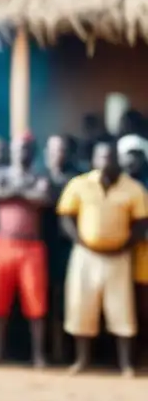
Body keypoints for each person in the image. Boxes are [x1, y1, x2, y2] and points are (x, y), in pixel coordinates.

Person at [58, 141, 147, 377]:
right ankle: (82, 360)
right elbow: (66, 217)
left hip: (119, 258)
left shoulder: (134, 189)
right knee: (81, 307)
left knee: (122, 311)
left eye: (110, 157)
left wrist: (123, 246)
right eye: (101, 157)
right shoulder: (79, 184)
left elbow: (140, 224)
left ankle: (126, 364)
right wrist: (81, 241)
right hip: (85, 256)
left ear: (118, 159)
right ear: (94, 160)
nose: (106, 161)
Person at [0, 133, 53, 368]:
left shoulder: (40, 176)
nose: (23, 153)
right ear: (12, 151)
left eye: (27, 149)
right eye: (19, 149)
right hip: (2, 245)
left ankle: (39, 355)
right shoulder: (0, 175)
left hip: (31, 247)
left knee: (36, 304)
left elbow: (44, 198)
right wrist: (22, 192)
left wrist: (13, 192)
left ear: (33, 152)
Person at [44, 134, 79, 363]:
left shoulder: (78, 178)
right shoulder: (39, 176)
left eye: (63, 149)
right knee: (48, 299)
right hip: (42, 245)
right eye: (54, 149)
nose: (59, 153)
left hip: (72, 247)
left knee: (71, 298)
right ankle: (52, 351)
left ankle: (71, 352)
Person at [118, 134, 148, 367]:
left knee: (143, 304)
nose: (132, 161)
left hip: (143, 252)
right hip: (116, 253)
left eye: (137, 156)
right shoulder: (116, 183)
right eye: (128, 156)